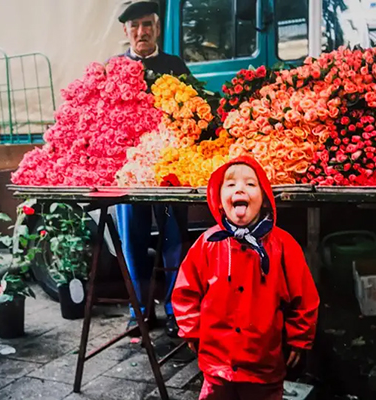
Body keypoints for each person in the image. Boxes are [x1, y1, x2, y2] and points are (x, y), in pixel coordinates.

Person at [172, 156, 320, 400]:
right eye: (230, 185)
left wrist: (299, 338)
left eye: (250, 184)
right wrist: (191, 330)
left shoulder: (283, 246)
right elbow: (185, 291)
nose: (239, 188)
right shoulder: (208, 244)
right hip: (217, 362)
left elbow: (303, 297)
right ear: (219, 201)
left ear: (264, 200)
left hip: (263, 363)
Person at [115, 1, 190, 337]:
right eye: (135, 26)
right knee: (132, 241)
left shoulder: (175, 65)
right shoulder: (113, 68)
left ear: (157, 28)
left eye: (147, 25)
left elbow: (195, 113)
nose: (141, 32)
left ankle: (177, 311)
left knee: (175, 240)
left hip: (169, 172)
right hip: (129, 173)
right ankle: (140, 312)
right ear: (126, 31)